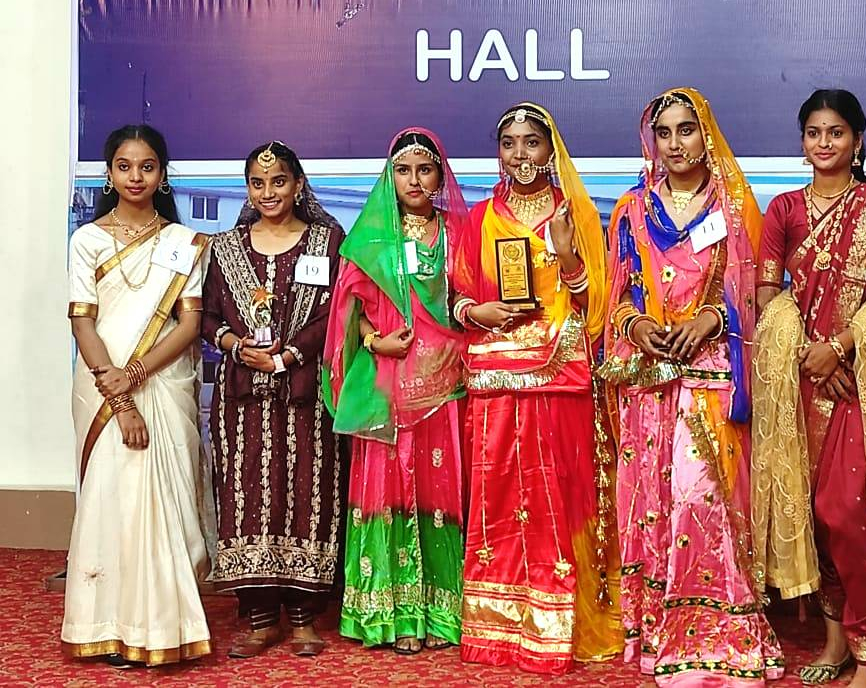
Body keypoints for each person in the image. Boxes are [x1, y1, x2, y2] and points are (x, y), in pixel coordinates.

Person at [598, 89, 782, 684]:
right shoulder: (632, 209)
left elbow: (754, 292)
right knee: (649, 502)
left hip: (709, 374)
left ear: (707, 135)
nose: (675, 144)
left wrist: (712, 319)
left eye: (686, 130)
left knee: (701, 499)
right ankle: (655, 628)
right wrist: (637, 325)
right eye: (665, 133)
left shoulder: (733, 206)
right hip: (648, 376)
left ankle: (716, 632)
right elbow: (618, 293)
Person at [447, 103, 620, 673]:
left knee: (559, 494)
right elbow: (457, 296)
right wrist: (478, 311)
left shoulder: (577, 212)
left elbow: (596, 306)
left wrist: (567, 255)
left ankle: (560, 625)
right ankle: (498, 629)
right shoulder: (480, 219)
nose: (520, 154)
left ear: (551, 150)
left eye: (531, 142)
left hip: (558, 374)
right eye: (509, 143)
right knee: (497, 498)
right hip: (496, 374)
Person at [752, 89, 866, 686]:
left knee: (849, 512)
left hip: (858, 381)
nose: (825, 142)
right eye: (814, 132)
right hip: (798, 380)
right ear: (802, 142)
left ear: (858, 140)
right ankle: (835, 642)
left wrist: (841, 348)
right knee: (812, 517)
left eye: (837, 132)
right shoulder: (784, 209)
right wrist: (807, 355)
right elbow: (767, 293)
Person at [64, 125, 215, 668]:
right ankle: (106, 624)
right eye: (124, 167)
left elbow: (189, 323)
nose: (135, 177)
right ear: (109, 174)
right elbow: (83, 323)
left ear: (162, 174)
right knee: (113, 499)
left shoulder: (183, 242)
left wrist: (136, 373)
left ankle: (165, 624)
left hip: (162, 382)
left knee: (166, 503)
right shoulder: (87, 240)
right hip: (102, 388)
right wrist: (121, 396)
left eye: (147, 167)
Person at [321, 129, 470, 654]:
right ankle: (390, 613)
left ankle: (441, 613)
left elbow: (471, 295)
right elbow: (350, 311)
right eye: (403, 171)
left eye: (424, 170)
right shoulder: (371, 238)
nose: (414, 181)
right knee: (386, 489)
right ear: (390, 177)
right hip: (388, 381)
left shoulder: (458, 233)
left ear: (439, 176)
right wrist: (373, 340)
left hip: (443, 383)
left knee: (439, 491)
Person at [199, 141, 348, 658]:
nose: (269, 192)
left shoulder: (327, 242)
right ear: (247, 189)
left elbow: (335, 314)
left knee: (309, 492)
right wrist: (234, 345)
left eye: (279, 181)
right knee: (246, 497)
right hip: (241, 398)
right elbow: (207, 316)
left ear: (298, 185)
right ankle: (260, 619)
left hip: (306, 393)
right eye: (258, 183)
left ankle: (305, 618)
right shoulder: (225, 248)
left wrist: (287, 356)